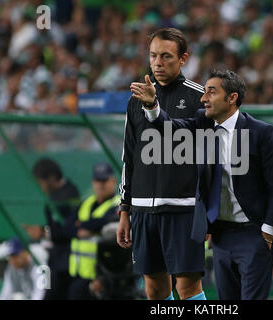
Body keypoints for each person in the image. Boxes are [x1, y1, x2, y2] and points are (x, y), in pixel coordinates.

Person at [140, 69, 273, 300]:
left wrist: (269, 231)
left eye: (211, 92)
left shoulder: (261, 133)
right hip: (221, 235)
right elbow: (170, 128)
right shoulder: (204, 123)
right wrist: (152, 107)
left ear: (231, 98)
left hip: (254, 233)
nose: (203, 98)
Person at [116, 28, 206, 301]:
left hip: (183, 211)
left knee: (187, 288)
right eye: (153, 55)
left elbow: (210, 162)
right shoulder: (135, 101)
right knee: (154, 290)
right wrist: (125, 209)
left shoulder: (199, 98)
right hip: (143, 211)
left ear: (183, 59)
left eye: (166, 56)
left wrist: (210, 216)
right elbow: (128, 157)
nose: (158, 62)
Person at [24, 158, 80, 300]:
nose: (39, 185)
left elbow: (71, 229)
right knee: (47, 292)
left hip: (65, 262)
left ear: (51, 177)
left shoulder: (70, 195)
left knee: (52, 295)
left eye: (40, 181)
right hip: (53, 261)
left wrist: (43, 232)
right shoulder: (55, 196)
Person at [68, 162, 119, 300]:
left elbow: (108, 220)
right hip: (79, 272)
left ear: (114, 180)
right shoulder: (86, 202)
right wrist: (93, 227)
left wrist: (83, 224)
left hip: (105, 274)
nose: (101, 184)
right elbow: (68, 228)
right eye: (98, 180)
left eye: (105, 180)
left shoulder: (119, 203)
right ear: (92, 182)